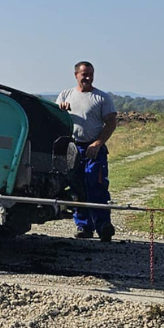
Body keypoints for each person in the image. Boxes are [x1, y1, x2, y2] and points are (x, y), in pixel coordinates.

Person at [57, 61, 118, 242]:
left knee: (96, 184)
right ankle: (83, 226)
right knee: (77, 187)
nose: (88, 78)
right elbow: (56, 119)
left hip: (94, 149)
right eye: (84, 74)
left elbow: (111, 122)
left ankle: (103, 226)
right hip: (73, 148)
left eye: (91, 74)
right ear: (76, 75)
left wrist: (98, 143)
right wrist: (61, 110)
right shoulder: (65, 95)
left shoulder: (101, 98)